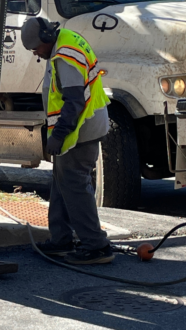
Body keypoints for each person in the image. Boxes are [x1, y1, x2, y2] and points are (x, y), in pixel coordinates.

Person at [21, 17, 113, 264]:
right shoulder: (66, 41)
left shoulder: (64, 56)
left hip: (80, 130)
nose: (37, 55)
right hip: (82, 127)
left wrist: (59, 135)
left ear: (46, 40)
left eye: (35, 49)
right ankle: (61, 240)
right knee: (62, 183)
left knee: (74, 185)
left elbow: (74, 102)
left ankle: (96, 246)